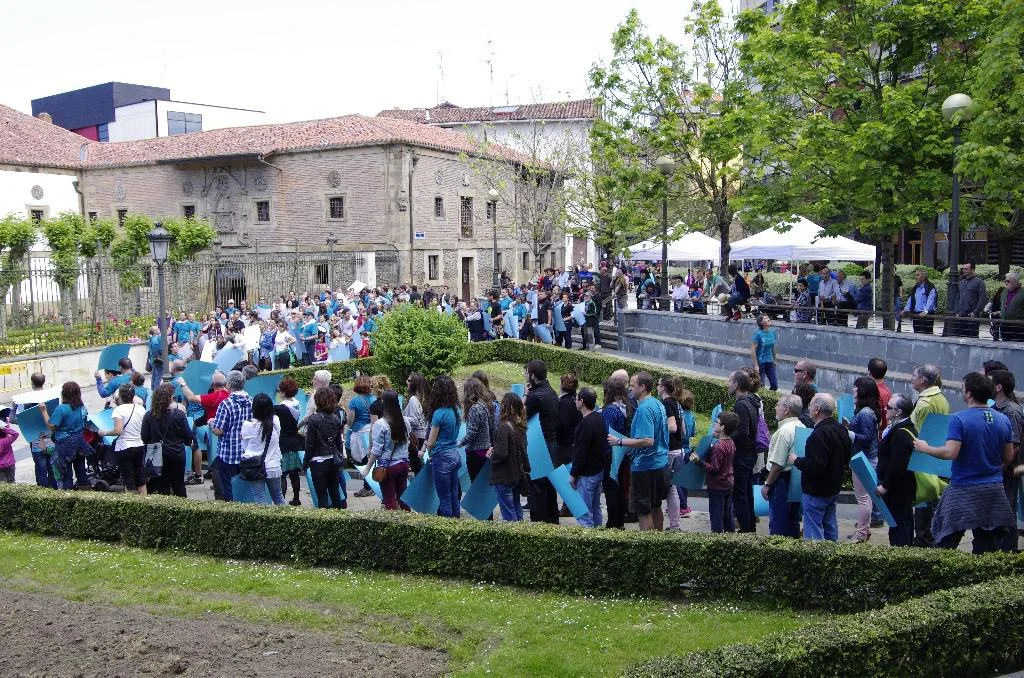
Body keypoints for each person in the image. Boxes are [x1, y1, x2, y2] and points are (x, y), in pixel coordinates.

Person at [914, 373, 1017, 553]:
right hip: (993, 490)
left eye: (963, 387)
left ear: (969, 393)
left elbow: (951, 452)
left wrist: (925, 448)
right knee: (986, 547)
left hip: (963, 489)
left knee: (945, 542)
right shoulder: (1003, 420)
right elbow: (1008, 457)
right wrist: (991, 469)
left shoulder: (959, 419)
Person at [606, 371, 669, 531]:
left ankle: (647, 544)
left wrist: (619, 441)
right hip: (660, 463)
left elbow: (647, 440)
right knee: (656, 506)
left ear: (642, 387)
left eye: (632, 385)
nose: (629, 388)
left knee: (643, 511)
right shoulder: (658, 404)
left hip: (645, 467)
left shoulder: (644, 409)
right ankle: (659, 542)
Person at [790, 393, 851, 541]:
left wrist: (796, 460)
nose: (809, 408)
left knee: (813, 530)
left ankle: (816, 555)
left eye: (811, 405)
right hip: (833, 487)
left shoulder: (818, 435)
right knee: (830, 525)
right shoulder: (841, 429)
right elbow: (846, 458)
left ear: (817, 409)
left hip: (816, 490)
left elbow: (816, 466)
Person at [909, 363, 950, 547]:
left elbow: (917, 432)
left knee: (923, 499)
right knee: (932, 499)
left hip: (923, 458)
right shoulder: (941, 399)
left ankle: (923, 539)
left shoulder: (924, 403)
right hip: (936, 455)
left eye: (914, 375)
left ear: (923, 380)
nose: (911, 378)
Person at [986, 370, 1024, 551]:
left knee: (1006, 514)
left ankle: (1008, 553)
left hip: (1006, 472)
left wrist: (1000, 468)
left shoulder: (1011, 411)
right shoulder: (995, 408)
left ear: (998, 387)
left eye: (989, 382)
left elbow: (1014, 446)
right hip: (997, 470)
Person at [875, 393, 918, 547]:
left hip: (899, 490)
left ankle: (901, 554)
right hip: (903, 489)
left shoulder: (901, 433)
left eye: (889, 407)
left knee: (899, 526)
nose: (885, 409)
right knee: (903, 522)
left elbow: (898, 464)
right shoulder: (904, 428)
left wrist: (885, 486)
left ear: (898, 412)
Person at [760, 394, 806, 538]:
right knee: (793, 521)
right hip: (796, 480)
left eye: (778, 405)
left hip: (781, 481)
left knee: (778, 524)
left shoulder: (784, 431)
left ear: (786, 409)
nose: (775, 408)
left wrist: (767, 484)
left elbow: (777, 465)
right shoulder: (802, 426)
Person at [140, 384, 193, 498]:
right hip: (176, 452)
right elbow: (188, 435)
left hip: (156, 453)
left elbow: (144, 437)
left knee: (162, 485)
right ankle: (182, 507)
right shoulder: (178, 414)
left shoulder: (149, 415)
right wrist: (186, 442)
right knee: (178, 483)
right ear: (169, 399)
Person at [524, 360, 560, 524]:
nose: (525, 375)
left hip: (539, 443)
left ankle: (539, 521)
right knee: (549, 483)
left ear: (532, 375)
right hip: (552, 441)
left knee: (537, 484)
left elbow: (522, 418)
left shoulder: (534, 396)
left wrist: (526, 395)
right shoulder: (551, 392)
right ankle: (552, 519)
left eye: (527, 372)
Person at [846, 377, 881, 543]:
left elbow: (866, 438)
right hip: (864, 458)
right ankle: (864, 531)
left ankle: (861, 534)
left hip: (864, 459)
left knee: (863, 498)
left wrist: (850, 434)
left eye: (856, 387)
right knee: (865, 497)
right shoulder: (866, 411)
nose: (853, 390)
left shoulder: (866, 413)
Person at [691, 411, 738, 533]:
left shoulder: (718, 447)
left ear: (722, 427)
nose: (714, 424)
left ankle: (717, 538)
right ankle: (731, 538)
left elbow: (714, 469)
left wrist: (698, 461)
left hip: (718, 486)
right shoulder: (731, 442)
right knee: (728, 515)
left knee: (716, 516)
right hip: (729, 482)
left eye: (716, 422)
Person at [424, 375, 463, 518]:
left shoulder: (438, 413)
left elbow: (431, 442)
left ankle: (447, 526)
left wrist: (429, 453)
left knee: (444, 498)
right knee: (454, 495)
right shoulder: (456, 410)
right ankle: (456, 523)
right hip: (455, 455)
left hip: (441, 458)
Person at [210, 370, 253, 502]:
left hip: (229, 453)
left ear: (228, 384)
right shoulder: (251, 401)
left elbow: (218, 430)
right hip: (246, 451)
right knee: (243, 487)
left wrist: (211, 423)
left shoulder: (226, 404)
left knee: (228, 487)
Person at [365, 390, 411, 511]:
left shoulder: (381, 424)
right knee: (403, 498)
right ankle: (409, 519)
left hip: (388, 467)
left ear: (383, 402)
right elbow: (408, 441)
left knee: (389, 500)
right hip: (403, 464)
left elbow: (376, 450)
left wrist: (367, 468)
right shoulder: (405, 421)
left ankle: (392, 521)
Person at [488, 392, 530, 521]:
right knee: (516, 507)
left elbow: (501, 453)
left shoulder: (504, 426)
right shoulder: (520, 426)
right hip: (517, 474)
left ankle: (513, 533)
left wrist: (492, 454)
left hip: (504, 475)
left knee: (508, 513)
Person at [100, 384, 147, 496]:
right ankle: (144, 502)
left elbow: (118, 430)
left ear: (120, 396)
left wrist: (104, 432)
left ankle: (131, 503)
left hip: (125, 447)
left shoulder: (118, 410)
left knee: (129, 480)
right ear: (133, 396)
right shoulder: (141, 408)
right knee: (140, 478)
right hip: (139, 445)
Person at [303, 387, 345, 509]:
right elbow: (339, 442)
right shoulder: (336, 418)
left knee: (322, 496)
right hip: (333, 460)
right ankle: (338, 517)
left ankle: (323, 518)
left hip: (318, 461)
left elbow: (310, 444)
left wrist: (305, 463)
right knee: (335, 492)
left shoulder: (313, 420)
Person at [570, 387, 606, 528]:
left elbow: (581, 452)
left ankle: (588, 537)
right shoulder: (598, 418)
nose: (575, 402)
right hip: (598, 470)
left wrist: (573, 474)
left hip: (586, 474)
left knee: (585, 513)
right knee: (596, 508)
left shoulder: (585, 424)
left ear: (582, 401)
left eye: (577, 399)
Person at [729, 370, 759, 533]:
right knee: (747, 491)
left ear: (736, 385)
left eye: (730, 381)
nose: (728, 384)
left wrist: (725, 438)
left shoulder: (741, 404)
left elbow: (742, 432)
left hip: (742, 455)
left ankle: (746, 528)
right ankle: (750, 525)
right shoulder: (751, 401)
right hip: (749, 454)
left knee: (740, 494)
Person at [658, 376, 687, 530]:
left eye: (658, 384)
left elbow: (673, 427)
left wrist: (656, 430)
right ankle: (675, 525)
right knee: (672, 489)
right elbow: (684, 430)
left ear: (663, 387)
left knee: (668, 489)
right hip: (679, 450)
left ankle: (672, 525)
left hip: (669, 452)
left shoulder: (667, 404)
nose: (657, 387)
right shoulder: (677, 403)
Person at [270, 377, 304, 506]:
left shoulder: (279, 408)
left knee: (282, 474)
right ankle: (296, 498)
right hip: (294, 441)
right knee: (294, 473)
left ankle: (281, 501)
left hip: (282, 442)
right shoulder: (297, 404)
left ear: (283, 392)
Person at [601, 378, 630, 529]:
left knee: (611, 489)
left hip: (612, 453)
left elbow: (607, 432)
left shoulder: (610, 410)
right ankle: (619, 522)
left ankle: (613, 523)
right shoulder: (625, 407)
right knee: (620, 489)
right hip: (623, 452)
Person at [459, 377, 495, 482]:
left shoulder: (474, 409)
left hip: (475, 453)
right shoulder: (484, 405)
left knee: (475, 483)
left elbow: (472, 433)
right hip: (485, 450)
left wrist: (460, 443)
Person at [948, 261, 987, 338]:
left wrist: (975, 312)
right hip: (961, 316)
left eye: (966, 269)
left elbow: (982, 299)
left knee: (972, 338)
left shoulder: (979, 282)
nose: (964, 271)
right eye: (963, 269)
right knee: (960, 339)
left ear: (972, 269)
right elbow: (957, 298)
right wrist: (956, 311)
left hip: (972, 316)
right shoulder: (961, 282)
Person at [403, 372, 430, 475]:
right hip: (424, 436)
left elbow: (415, 420)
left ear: (414, 383)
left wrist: (401, 417)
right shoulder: (425, 398)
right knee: (420, 467)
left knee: (417, 468)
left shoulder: (413, 399)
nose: (406, 382)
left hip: (416, 438)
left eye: (409, 380)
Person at [555, 373, 581, 470]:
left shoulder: (564, 403)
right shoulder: (575, 399)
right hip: (573, 441)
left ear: (562, 385)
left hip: (565, 444)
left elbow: (562, 424)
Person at [902, 268, 937, 335]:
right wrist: (906, 309)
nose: (915, 277)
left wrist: (925, 311)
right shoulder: (916, 287)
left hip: (926, 316)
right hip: (916, 315)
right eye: (915, 275)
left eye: (918, 275)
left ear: (924, 276)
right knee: (916, 335)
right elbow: (911, 299)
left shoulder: (930, 287)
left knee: (926, 336)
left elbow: (931, 300)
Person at [992, 272, 1024, 343]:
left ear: (1015, 282)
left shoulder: (1022, 293)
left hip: (1018, 327)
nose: (1006, 282)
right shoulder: (1004, 292)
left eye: (1008, 281)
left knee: (1017, 347)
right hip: (1004, 325)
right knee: (1005, 345)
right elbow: (1004, 307)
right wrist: (999, 312)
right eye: (1005, 281)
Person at [751, 315, 778, 391]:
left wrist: (774, 359)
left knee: (774, 385)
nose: (768, 319)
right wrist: (756, 365)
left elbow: (773, 347)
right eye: (766, 318)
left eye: (768, 317)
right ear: (761, 322)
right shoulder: (758, 334)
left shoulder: (772, 332)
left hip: (770, 362)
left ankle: (769, 397)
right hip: (761, 363)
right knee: (761, 386)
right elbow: (753, 349)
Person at [0, 410, 18, 482]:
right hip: (10, 464)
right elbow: (16, 434)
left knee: (3, 484)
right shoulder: (7, 440)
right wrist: (5, 428)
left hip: (0, 466)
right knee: (12, 482)